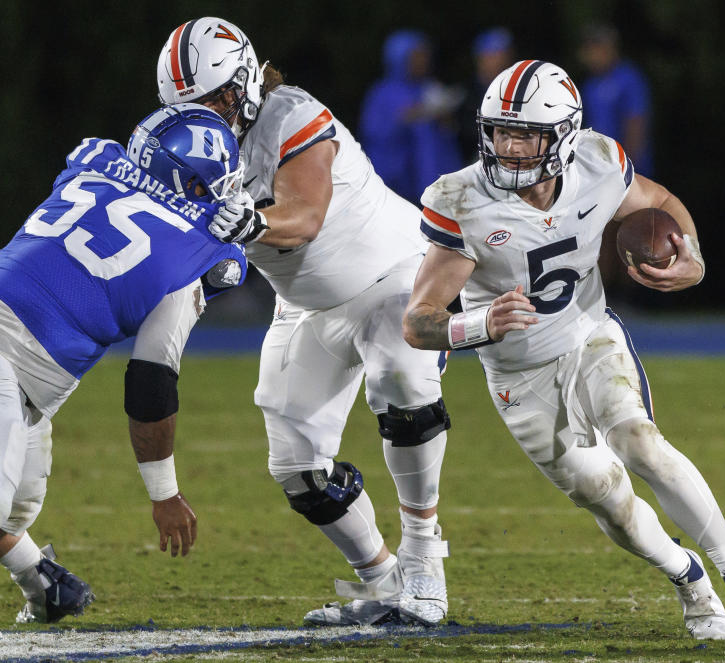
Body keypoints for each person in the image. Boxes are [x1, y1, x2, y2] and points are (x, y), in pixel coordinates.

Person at [403, 60, 725, 640]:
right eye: (499, 131)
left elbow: (659, 200)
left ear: (563, 135)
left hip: (588, 335)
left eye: (524, 134)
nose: (507, 147)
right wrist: (478, 324)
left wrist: (694, 258)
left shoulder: (599, 161)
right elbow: (419, 322)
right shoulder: (460, 198)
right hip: (520, 376)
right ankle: (689, 577)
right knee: (609, 502)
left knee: (640, 442)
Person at [157, 18, 451, 627]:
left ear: (246, 80)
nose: (207, 115)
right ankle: (385, 582)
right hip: (307, 303)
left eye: (215, 99)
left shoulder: (290, 114)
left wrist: (245, 227)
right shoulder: (181, 151)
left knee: (401, 379)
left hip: (395, 276)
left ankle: (426, 560)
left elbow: (304, 216)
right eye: (191, 107)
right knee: (298, 469)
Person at [0, 103, 248, 624]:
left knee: (18, 508)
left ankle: (45, 587)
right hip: (7, 360)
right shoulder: (193, 251)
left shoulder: (93, 162)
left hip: (25, 381)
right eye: (214, 186)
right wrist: (165, 495)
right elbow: (150, 384)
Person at [577, 24, 655, 300]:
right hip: (597, 170)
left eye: (596, 49)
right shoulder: (590, 84)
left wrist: (628, 166)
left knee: (630, 233)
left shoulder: (628, 78)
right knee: (601, 233)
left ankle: (634, 293)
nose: (591, 55)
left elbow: (635, 121)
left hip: (625, 168)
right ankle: (607, 293)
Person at [359, 29, 464, 203]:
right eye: (416, 56)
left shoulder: (431, 88)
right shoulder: (382, 93)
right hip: (395, 182)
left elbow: (447, 135)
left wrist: (445, 118)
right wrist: (405, 119)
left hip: (431, 183)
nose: (423, 61)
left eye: (425, 55)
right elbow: (373, 134)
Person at [457, 27, 515, 163]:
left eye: (505, 53)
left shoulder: (519, 88)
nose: (501, 60)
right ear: (481, 58)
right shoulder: (466, 94)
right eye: (495, 55)